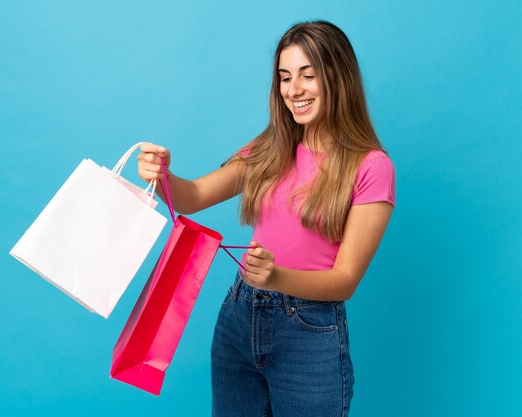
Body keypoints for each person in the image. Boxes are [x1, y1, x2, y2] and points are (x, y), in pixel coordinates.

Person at [137, 20, 395, 417]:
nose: (294, 90)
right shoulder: (269, 148)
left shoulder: (371, 167)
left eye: (307, 75)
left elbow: (346, 281)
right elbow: (194, 196)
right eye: (285, 77)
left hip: (309, 331)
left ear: (338, 77)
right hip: (240, 317)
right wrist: (164, 175)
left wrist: (276, 277)